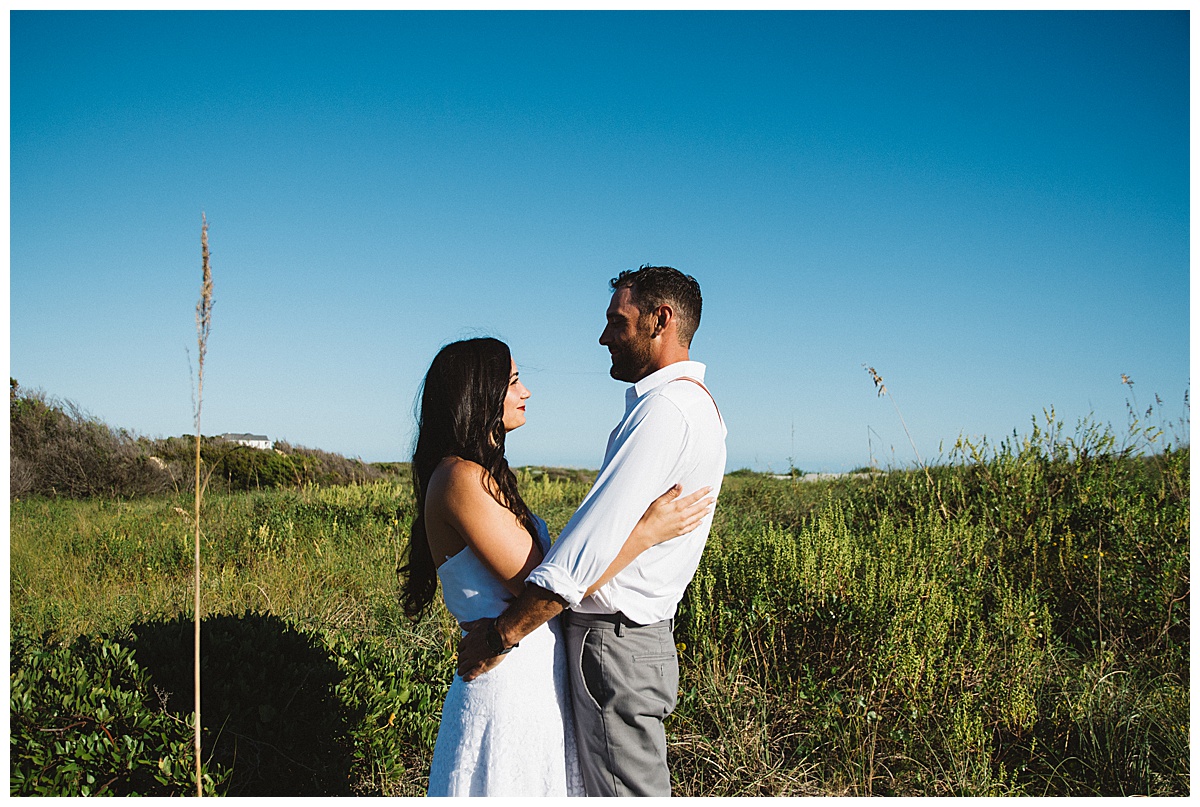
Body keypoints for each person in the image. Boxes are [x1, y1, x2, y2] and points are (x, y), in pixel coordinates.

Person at [401, 336, 713, 797]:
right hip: (504, 684)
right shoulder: (459, 479)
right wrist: (643, 533)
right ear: (477, 393)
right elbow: (547, 588)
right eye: (512, 381)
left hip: (529, 678)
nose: (525, 392)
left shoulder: (478, 475)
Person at [457, 266, 727, 796]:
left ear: (659, 320)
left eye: (617, 322)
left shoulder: (666, 411)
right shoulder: (686, 406)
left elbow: (585, 550)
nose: (604, 337)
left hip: (614, 643)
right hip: (624, 642)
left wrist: (501, 634)